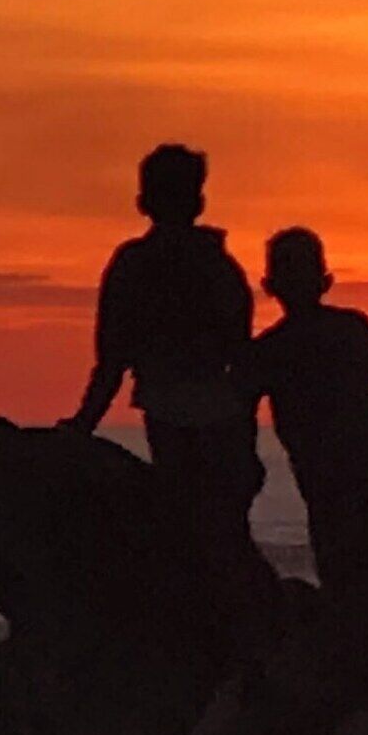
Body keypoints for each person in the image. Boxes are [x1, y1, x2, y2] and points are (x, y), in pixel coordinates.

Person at [64, 143, 264, 555]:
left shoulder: (135, 264)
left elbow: (111, 358)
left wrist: (83, 424)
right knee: (221, 533)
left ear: (143, 202)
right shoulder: (219, 266)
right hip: (221, 413)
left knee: (187, 526)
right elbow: (243, 356)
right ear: (199, 202)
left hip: (172, 409)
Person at [247, 226, 368, 592]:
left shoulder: (272, 348)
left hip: (326, 464)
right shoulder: (347, 328)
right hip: (359, 458)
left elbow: (239, 407)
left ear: (269, 286)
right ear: (325, 281)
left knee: (340, 558)